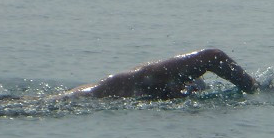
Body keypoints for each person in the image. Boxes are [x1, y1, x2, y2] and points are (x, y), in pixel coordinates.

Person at [61, 47, 260, 100]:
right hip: (84, 97)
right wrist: (255, 88)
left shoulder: (157, 92)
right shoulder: (155, 77)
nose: (187, 90)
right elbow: (213, 57)